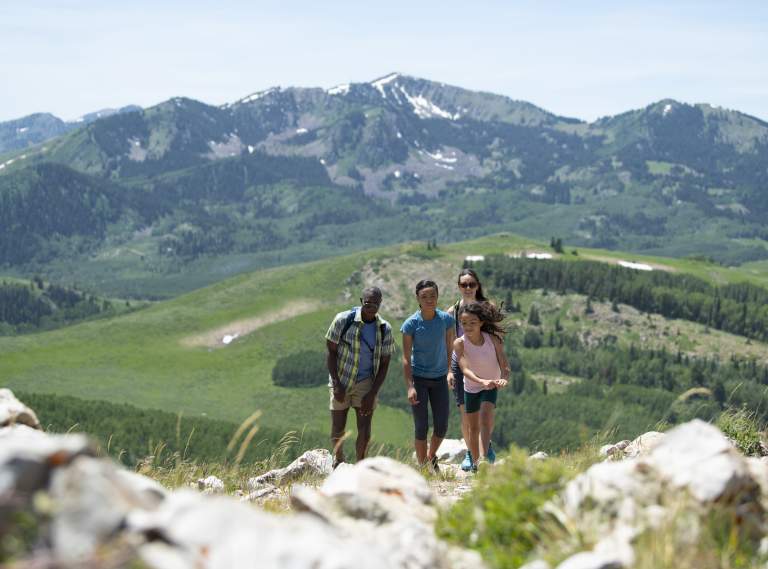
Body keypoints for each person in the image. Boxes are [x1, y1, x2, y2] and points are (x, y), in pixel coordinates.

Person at [326, 287, 394, 468]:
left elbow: (385, 364)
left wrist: (373, 392)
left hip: (366, 382)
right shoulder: (343, 320)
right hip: (341, 378)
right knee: (338, 425)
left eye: (375, 304)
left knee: (364, 427)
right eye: (367, 303)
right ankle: (338, 460)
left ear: (380, 303)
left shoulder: (384, 329)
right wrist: (336, 384)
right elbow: (331, 352)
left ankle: (360, 466)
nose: (371, 307)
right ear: (361, 301)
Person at [401, 279, 456, 471]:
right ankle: (423, 467)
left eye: (432, 295)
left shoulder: (446, 320)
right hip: (419, 379)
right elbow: (406, 358)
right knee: (421, 426)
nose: (429, 300)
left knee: (442, 425)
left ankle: (431, 456)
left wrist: (450, 371)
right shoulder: (411, 324)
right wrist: (410, 387)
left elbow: (450, 347)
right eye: (424, 296)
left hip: (440, 378)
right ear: (418, 299)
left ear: (438, 296)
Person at [453, 301, 510, 472]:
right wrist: (481, 381)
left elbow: (504, 365)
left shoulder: (493, 339)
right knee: (473, 428)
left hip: (491, 385)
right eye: (464, 323)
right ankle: (476, 463)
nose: (468, 327)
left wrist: (504, 378)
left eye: (473, 322)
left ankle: (483, 459)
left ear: (481, 323)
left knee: (485, 419)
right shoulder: (459, 343)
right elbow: (465, 369)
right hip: (472, 387)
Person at [446, 268, 494, 470]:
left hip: (484, 362)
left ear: (477, 286)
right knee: (466, 412)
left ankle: (486, 448)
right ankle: (470, 453)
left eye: (471, 284)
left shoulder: (488, 308)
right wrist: (449, 370)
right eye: (463, 284)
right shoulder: (452, 311)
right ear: (458, 287)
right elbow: (450, 341)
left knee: (486, 411)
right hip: (461, 363)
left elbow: (496, 338)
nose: (467, 288)